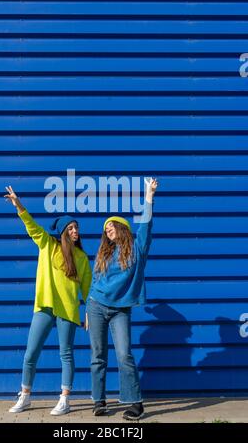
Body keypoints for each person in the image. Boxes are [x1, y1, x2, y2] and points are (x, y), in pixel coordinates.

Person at [3, 186, 92, 415]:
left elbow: (87, 289)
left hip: (68, 310)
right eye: (71, 228)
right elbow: (31, 226)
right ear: (63, 231)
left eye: (77, 228)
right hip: (45, 306)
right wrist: (19, 205)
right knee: (31, 353)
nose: (75, 231)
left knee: (66, 354)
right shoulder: (47, 244)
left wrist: (88, 313)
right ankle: (25, 396)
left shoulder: (81, 257)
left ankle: (65, 399)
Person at [85, 177, 158, 420]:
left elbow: (146, 225)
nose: (108, 229)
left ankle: (135, 403)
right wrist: (86, 310)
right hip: (96, 305)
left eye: (111, 225)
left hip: (120, 309)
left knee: (124, 354)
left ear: (122, 227)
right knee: (97, 355)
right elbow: (94, 282)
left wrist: (149, 195)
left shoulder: (137, 248)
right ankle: (99, 401)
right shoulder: (104, 253)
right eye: (105, 228)